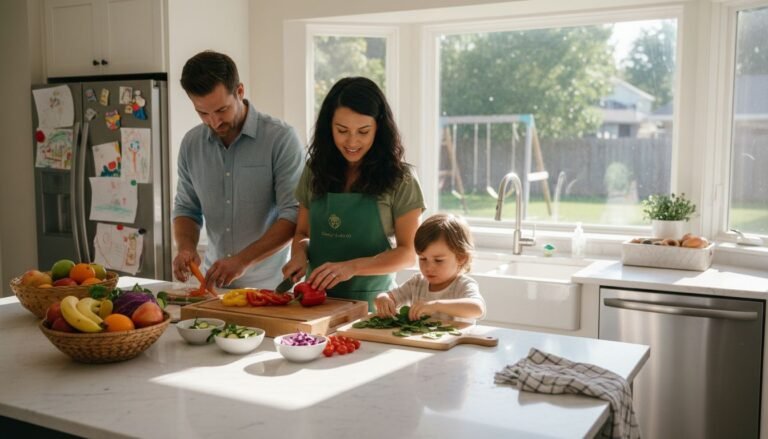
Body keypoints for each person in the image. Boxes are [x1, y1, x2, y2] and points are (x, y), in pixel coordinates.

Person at [282, 77, 425, 309]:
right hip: (314, 301)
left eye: (363, 131)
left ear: (379, 128)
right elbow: (302, 232)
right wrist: (299, 254)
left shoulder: (402, 179)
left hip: (374, 305)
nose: (352, 141)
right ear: (329, 127)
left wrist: (352, 267)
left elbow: (409, 253)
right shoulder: (314, 171)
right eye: (342, 130)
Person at [172, 50, 304, 289]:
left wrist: (242, 261)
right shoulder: (191, 144)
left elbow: (293, 215)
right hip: (213, 287)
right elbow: (186, 209)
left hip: (271, 289)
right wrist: (186, 248)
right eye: (203, 113)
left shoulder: (280, 139)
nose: (214, 122)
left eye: (222, 110)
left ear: (240, 92)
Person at [374, 213, 486, 323]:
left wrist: (436, 305)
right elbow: (390, 297)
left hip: (457, 341)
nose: (428, 267)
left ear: (461, 258)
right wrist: (382, 298)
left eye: (438, 260)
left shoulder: (463, 285)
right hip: (421, 341)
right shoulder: (417, 283)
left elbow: (477, 309)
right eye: (423, 259)